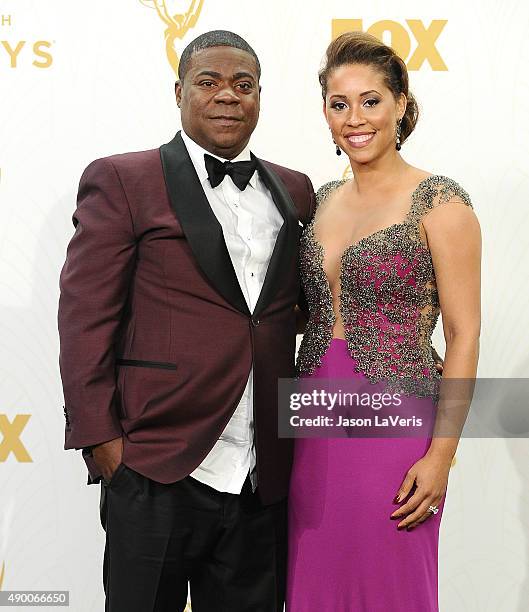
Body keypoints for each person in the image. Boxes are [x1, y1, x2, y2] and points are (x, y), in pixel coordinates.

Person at [58, 30, 315, 612]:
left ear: (259, 99)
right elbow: (85, 317)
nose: (228, 95)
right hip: (156, 461)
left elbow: (289, 308)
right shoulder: (124, 179)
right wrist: (102, 442)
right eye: (210, 82)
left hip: (262, 473)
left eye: (243, 85)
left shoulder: (295, 190)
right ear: (179, 92)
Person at [287, 32, 481, 611]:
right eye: (339, 104)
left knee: (390, 578)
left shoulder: (440, 202)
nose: (355, 119)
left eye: (371, 100)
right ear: (324, 112)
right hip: (312, 415)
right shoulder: (319, 200)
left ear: (401, 103)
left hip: (396, 420)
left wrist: (441, 454)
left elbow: (465, 332)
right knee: (312, 576)